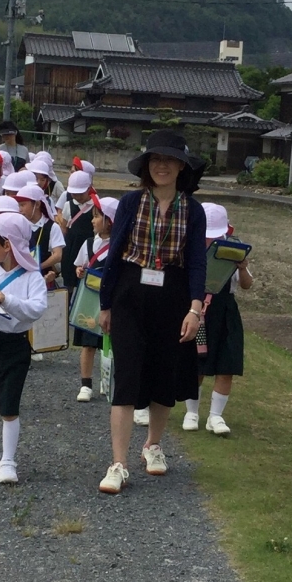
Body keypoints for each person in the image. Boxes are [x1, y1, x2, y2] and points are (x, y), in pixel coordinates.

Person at [97, 130, 206, 494]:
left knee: (165, 372)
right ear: (146, 166)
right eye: (155, 160)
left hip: (173, 295)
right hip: (130, 291)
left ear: (181, 167)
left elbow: (195, 264)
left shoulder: (193, 209)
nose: (162, 166)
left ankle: (153, 445)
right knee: (126, 377)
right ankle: (118, 463)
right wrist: (105, 304)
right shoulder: (130, 202)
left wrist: (195, 309)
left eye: (170, 160)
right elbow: (113, 255)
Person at [0, 213, 47, 484]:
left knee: (9, 405)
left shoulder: (31, 276)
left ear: (8, 245)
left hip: (16, 344)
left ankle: (9, 460)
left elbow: (37, 309)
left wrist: (8, 300)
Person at [182, 203, 253, 435]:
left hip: (225, 310)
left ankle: (216, 416)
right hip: (196, 310)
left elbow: (246, 284)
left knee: (226, 363)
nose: (209, 241)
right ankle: (191, 412)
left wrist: (242, 268)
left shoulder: (233, 248)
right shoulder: (187, 246)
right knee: (196, 360)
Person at [73, 196, 119, 402]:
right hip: (90, 299)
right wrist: (80, 271)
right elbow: (79, 265)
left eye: (97, 216)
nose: (92, 221)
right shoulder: (89, 243)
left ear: (109, 220)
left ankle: (106, 379)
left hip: (111, 301)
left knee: (109, 342)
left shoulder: (120, 246)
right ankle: (86, 384)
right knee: (88, 342)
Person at [16, 183, 65, 288]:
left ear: (37, 204)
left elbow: (58, 255)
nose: (20, 209)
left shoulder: (52, 227)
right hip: (20, 275)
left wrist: (38, 266)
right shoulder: (19, 225)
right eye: (19, 205)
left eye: (23, 205)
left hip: (44, 275)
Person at [59, 170, 95, 295]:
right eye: (74, 194)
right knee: (69, 282)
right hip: (71, 249)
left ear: (89, 189)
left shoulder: (95, 206)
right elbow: (64, 228)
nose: (77, 197)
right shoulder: (68, 205)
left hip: (89, 250)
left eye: (81, 194)